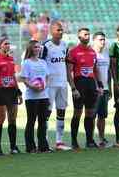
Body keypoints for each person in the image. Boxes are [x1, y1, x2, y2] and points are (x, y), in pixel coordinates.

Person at [67, 28, 103, 150]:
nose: (87, 36)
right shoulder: (73, 52)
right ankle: (74, 141)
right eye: (85, 34)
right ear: (79, 37)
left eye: (88, 34)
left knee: (90, 113)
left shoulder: (93, 52)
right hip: (79, 84)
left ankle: (89, 140)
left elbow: (95, 69)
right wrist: (73, 88)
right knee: (77, 112)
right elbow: (69, 72)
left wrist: (100, 85)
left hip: (91, 85)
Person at [40, 21, 71, 150]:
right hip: (50, 85)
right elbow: (40, 65)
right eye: (58, 30)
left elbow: (66, 64)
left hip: (62, 84)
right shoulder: (46, 46)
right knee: (46, 112)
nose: (61, 32)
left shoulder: (65, 45)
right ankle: (44, 140)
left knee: (61, 111)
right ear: (51, 31)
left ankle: (59, 141)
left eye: (62, 30)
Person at [0, 36, 23, 156]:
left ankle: (13, 147)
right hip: (1, 91)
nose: (8, 46)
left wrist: (18, 91)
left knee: (12, 119)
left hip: (12, 92)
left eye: (9, 44)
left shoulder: (11, 59)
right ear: (0, 46)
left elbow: (13, 76)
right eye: (6, 44)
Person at [20, 40, 51, 153]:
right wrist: (32, 86)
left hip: (43, 95)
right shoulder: (26, 63)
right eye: (35, 47)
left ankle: (43, 146)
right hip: (31, 97)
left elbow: (47, 76)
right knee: (31, 121)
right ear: (31, 49)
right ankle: (30, 147)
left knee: (43, 121)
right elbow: (23, 78)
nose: (37, 49)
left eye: (39, 47)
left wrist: (44, 85)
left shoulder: (43, 62)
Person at [92, 32, 112, 147]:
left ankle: (101, 138)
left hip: (105, 89)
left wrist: (109, 88)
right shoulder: (91, 53)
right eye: (100, 39)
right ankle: (90, 138)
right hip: (94, 89)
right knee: (92, 115)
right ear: (94, 40)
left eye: (104, 40)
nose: (102, 42)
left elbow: (108, 72)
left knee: (102, 115)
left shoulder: (106, 54)